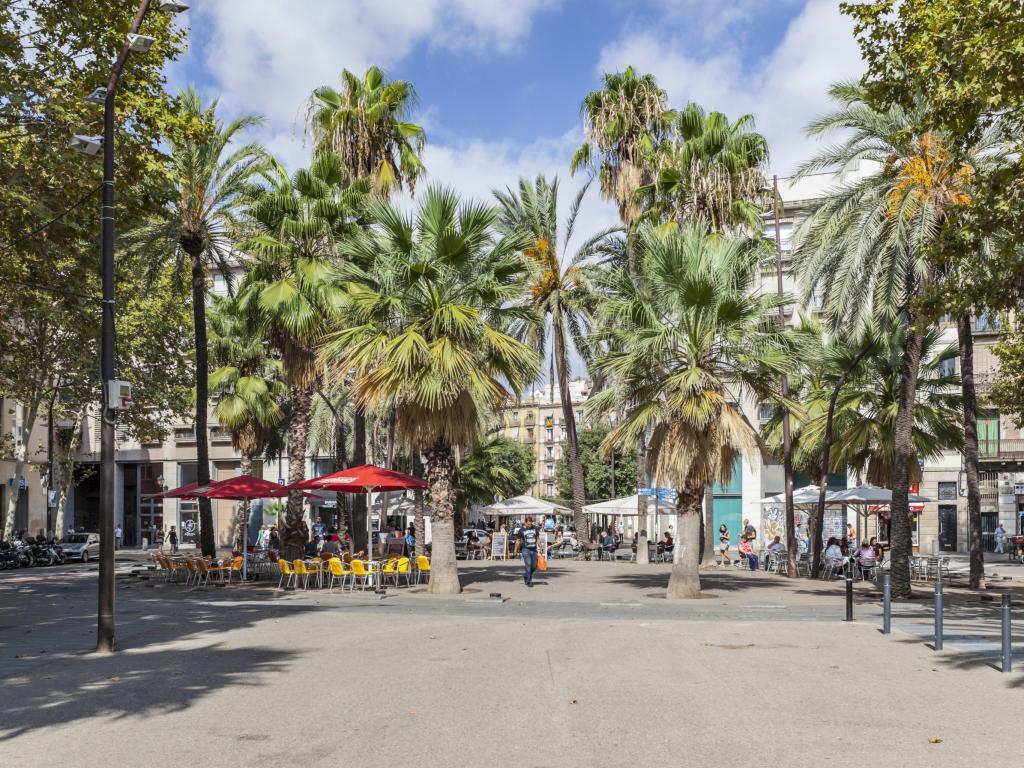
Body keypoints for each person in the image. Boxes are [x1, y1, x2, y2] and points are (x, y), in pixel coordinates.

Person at [513, 517, 541, 587]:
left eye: (531, 524)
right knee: (528, 564)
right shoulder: (521, 530)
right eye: (528, 524)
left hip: (534, 549)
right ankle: (529, 581)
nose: (530, 525)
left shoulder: (535, 528)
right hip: (525, 550)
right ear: (525, 523)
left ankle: (526, 575)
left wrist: (540, 547)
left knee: (534, 566)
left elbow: (537, 538)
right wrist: (515, 550)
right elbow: (518, 541)